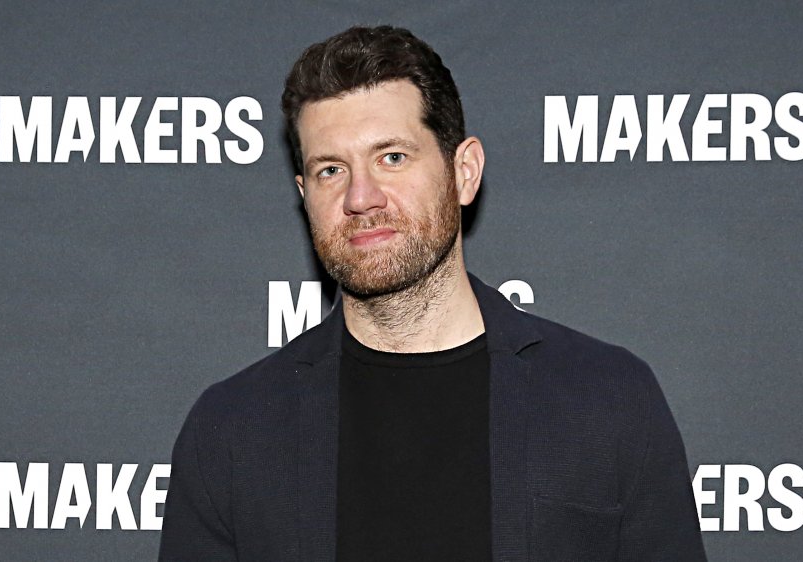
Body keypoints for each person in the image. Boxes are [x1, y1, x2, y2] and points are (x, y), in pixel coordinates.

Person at [159, 25, 706, 561]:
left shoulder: (607, 400)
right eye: (331, 169)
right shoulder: (232, 431)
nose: (361, 197)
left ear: (463, 172)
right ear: (305, 195)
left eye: (391, 157)